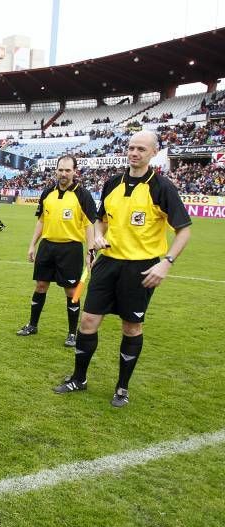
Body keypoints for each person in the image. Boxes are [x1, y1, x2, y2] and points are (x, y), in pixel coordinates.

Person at [53, 131, 191, 407]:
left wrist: (166, 263)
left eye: (141, 148)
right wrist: (98, 239)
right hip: (108, 263)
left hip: (141, 268)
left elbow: (184, 230)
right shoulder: (112, 183)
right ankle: (79, 379)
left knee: (131, 326)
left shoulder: (162, 187)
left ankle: (122, 387)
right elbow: (100, 221)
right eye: (130, 148)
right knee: (88, 321)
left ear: (153, 152)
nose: (134, 153)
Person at [16, 155, 96, 347]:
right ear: (56, 170)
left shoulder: (83, 195)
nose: (63, 173)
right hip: (47, 246)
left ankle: (72, 333)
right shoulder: (47, 193)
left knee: (71, 292)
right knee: (40, 286)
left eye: (67, 170)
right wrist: (32, 244)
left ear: (75, 171)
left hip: (71, 249)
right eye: (60, 169)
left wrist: (90, 251)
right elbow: (41, 220)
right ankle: (32, 325)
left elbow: (89, 225)